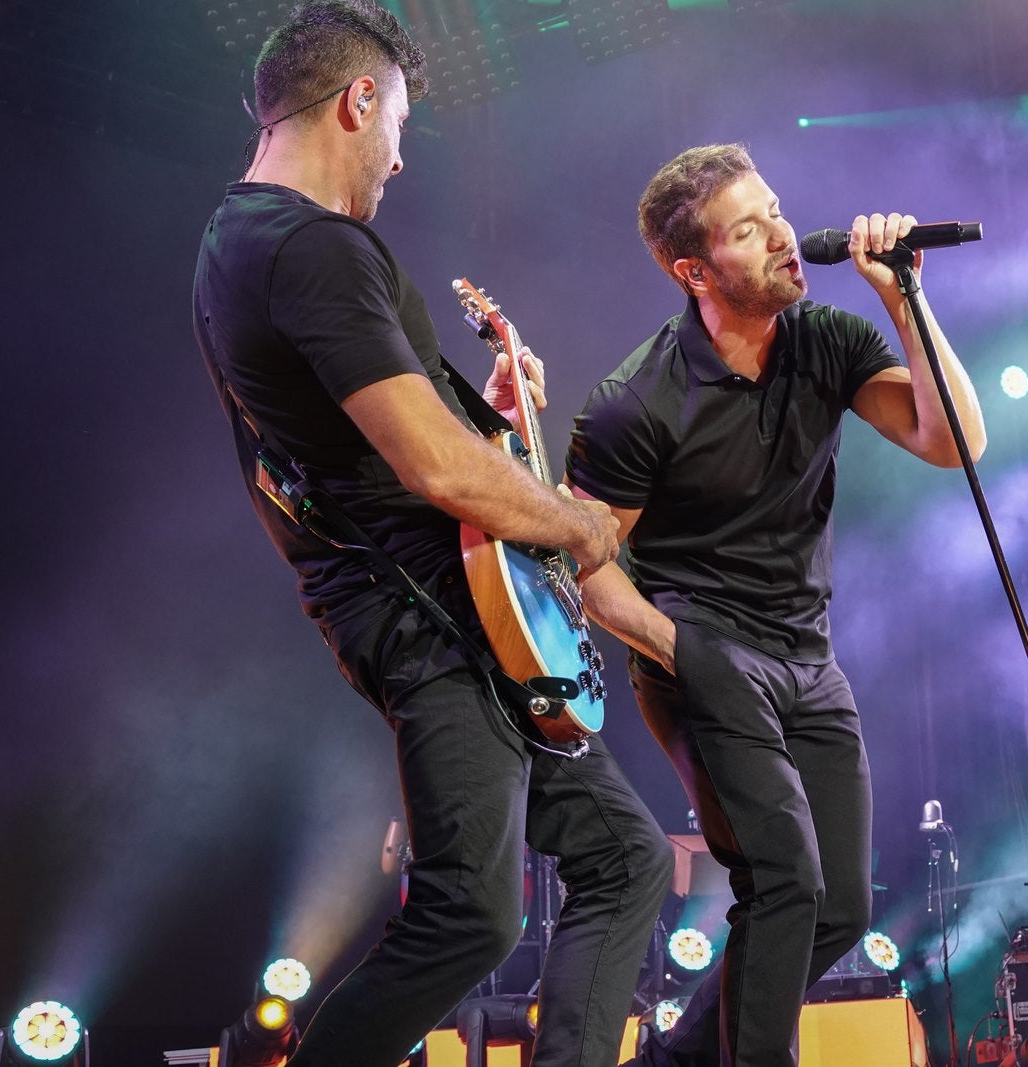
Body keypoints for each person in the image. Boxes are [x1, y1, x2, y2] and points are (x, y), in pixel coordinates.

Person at [190, 4, 672, 1064]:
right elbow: (434, 469)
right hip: (433, 622)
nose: (401, 156)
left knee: (626, 857)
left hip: (439, 610)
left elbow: (389, 448)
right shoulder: (310, 247)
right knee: (471, 914)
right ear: (359, 100)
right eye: (400, 120)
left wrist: (492, 415)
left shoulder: (240, 243)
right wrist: (582, 524)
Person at [564, 144, 987, 1066]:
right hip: (701, 653)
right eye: (748, 229)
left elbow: (952, 441)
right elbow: (582, 567)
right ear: (694, 269)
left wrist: (902, 297)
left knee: (839, 905)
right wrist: (682, 647)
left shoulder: (826, 341)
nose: (784, 236)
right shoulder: (635, 403)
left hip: (807, 657)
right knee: (785, 881)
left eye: (778, 210)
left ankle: (673, 1060)